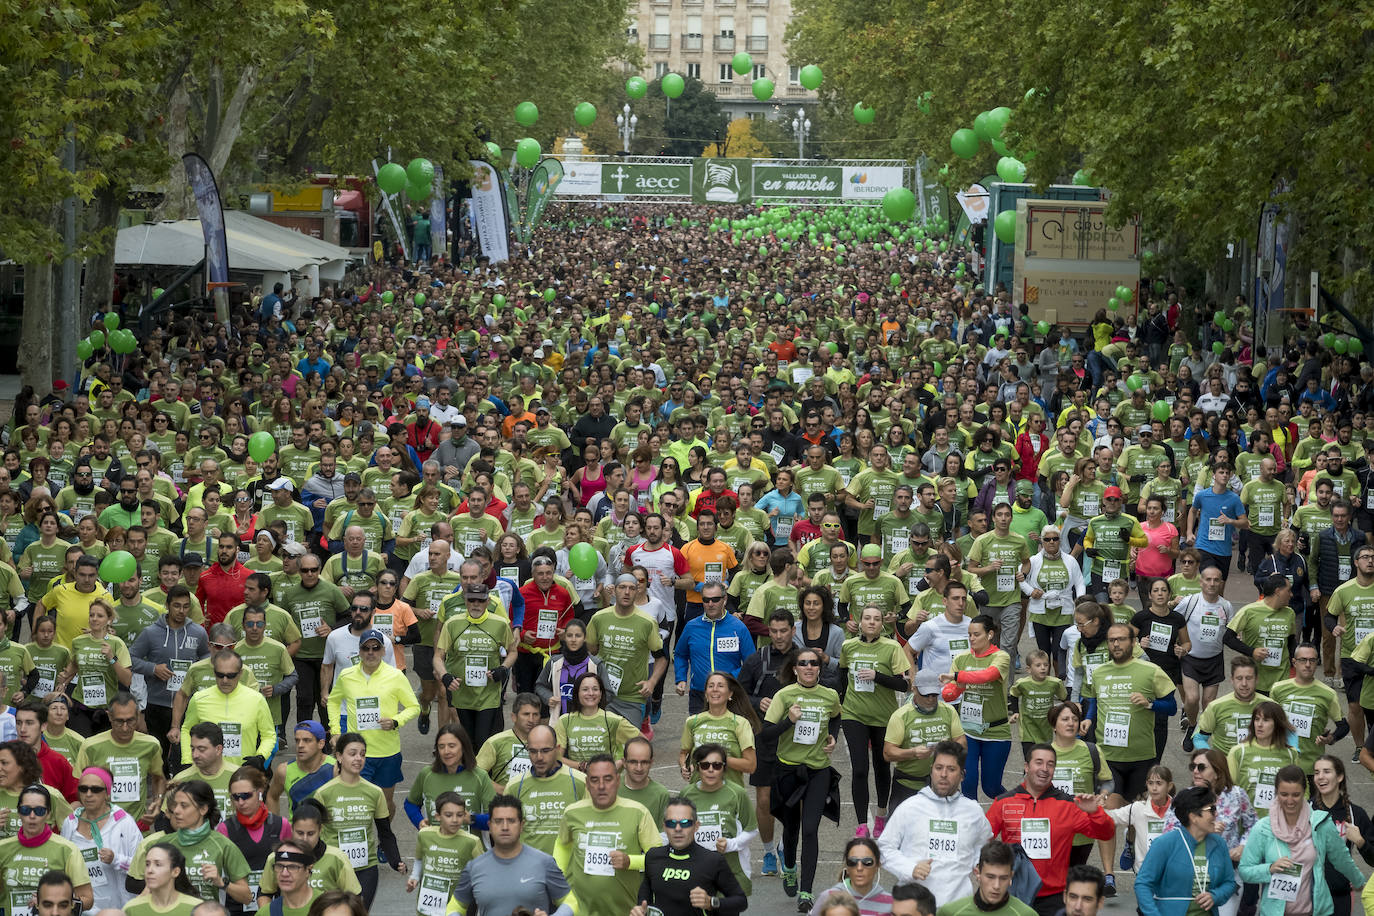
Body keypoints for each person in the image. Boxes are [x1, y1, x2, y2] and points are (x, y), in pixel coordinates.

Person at [984, 745, 1115, 916]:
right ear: (1026, 766)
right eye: (1039, 762)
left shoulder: (1068, 805)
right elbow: (982, 841)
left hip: (1055, 898)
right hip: (1013, 894)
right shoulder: (1003, 802)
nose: (1044, 769)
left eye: (1050, 764)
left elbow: (1106, 833)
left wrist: (1095, 812)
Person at [761, 646, 842, 908]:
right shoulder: (784, 696)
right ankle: (789, 865)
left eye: (814, 663)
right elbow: (765, 736)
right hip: (788, 770)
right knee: (792, 828)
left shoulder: (829, 695)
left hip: (818, 770)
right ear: (795, 668)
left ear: (820, 668)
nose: (809, 667)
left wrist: (833, 737)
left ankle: (806, 892)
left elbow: (837, 716)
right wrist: (789, 721)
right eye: (803, 663)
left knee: (810, 830)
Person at [1237, 765, 1367, 916]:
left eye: (1296, 795)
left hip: (1315, 911)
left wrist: (1359, 882)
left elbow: (1342, 858)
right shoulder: (1262, 828)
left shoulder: (1320, 824)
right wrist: (1269, 868)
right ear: (1276, 793)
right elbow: (1245, 870)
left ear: (1305, 792)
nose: (1290, 801)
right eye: (1284, 794)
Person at [877, 740, 991, 906]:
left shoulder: (973, 811)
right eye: (939, 768)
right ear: (931, 771)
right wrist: (910, 868)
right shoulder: (910, 807)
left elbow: (983, 847)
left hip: (957, 907)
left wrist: (979, 865)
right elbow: (883, 848)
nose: (943, 774)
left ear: (962, 775)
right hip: (915, 905)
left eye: (951, 769)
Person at [326, 627, 419, 815]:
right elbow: (333, 702)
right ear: (359, 651)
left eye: (375, 648)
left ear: (383, 651)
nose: (370, 653)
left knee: (385, 805)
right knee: (359, 805)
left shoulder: (395, 676)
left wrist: (395, 721)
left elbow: (414, 707)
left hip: (387, 751)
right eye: (366, 648)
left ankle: (384, 840)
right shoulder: (347, 675)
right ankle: (365, 841)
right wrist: (336, 731)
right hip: (357, 753)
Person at [553, 754, 659, 916]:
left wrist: (630, 861)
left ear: (617, 780)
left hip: (626, 910)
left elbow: (659, 859)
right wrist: (561, 885)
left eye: (608, 779)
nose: (601, 786)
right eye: (595, 780)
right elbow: (562, 845)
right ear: (587, 784)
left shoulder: (637, 812)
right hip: (581, 911)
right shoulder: (572, 812)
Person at [838, 603, 911, 838]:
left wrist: (877, 676)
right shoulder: (848, 646)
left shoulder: (891, 647)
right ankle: (861, 824)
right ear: (859, 622)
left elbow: (904, 684)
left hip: (883, 717)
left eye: (876, 619)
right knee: (860, 768)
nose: (871, 622)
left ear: (882, 623)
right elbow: (841, 678)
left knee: (882, 767)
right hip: (853, 714)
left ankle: (881, 815)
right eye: (867, 618)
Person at [310, 733, 404, 905]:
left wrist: (396, 860)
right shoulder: (323, 793)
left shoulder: (375, 792)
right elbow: (312, 835)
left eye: (362, 754)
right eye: (352, 753)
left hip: (365, 868)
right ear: (339, 756)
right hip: (333, 868)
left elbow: (385, 832)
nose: (358, 758)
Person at [446, 794, 574, 916]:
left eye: (511, 821)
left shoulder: (544, 862)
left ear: (521, 825)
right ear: (489, 826)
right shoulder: (474, 867)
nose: (505, 827)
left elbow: (570, 900)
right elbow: (455, 906)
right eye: (498, 821)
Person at [127, 780, 252, 904]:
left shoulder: (223, 845)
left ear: (203, 809)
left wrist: (221, 882)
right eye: (175, 805)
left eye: (184, 805)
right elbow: (147, 891)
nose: (176, 811)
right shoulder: (163, 844)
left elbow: (247, 897)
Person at [631, 796, 748, 916]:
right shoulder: (653, 857)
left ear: (696, 826)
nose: (678, 829)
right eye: (671, 823)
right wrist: (640, 911)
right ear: (664, 827)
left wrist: (711, 902)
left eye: (685, 823)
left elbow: (741, 901)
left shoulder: (713, 860)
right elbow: (644, 901)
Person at [939, 614, 1012, 801]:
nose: (971, 639)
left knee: (991, 787)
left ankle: (1017, 810)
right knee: (968, 784)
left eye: (976, 634)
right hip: (968, 732)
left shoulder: (1001, 657)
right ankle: (973, 827)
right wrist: (946, 691)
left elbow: (987, 676)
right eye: (969, 635)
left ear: (990, 635)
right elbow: (951, 693)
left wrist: (957, 677)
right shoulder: (962, 659)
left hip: (996, 732)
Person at [1134, 785, 1237, 916]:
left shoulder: (1219, 844)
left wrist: (1215, 896)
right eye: (1212, 809)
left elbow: (1229, 882)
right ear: (1193, 816)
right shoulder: (1164, 844)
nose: (1216, 814)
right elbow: (1143, 884)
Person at [76, 690, 165, 824]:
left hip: (137, 826)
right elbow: (76, 786)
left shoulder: (151, 745)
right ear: (109, 716)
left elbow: (158, 778)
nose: (125, 728)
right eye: (119, 721)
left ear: (138, 716)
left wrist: (157, 802)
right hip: (100, 826)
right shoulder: (90, 746)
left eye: (130, 721)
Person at [60, 765, 143, 910]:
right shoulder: (70, 822)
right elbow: (61, 866)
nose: (89, 794)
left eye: (96, 789)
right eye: (83, 789)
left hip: (117, 908)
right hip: (82, 908)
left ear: (107, 793)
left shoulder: (123, 822)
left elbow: (142, 867)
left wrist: (116, 860)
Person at [882, 670, 966, 810]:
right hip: (908, 785)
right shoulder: (901, 716)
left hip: (941, 785)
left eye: (934, 694)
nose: (931, 699)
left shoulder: (948, 711)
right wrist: (913, 752)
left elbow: (962, 742)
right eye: (926, 695)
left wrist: (947, 747)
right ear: (914, 690)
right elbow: (888, 753)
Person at [0, 785, 92, 908]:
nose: (32, 816)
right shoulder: (3, 848)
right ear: (18, 813)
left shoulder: (67, 849)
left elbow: (88, 899)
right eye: (26, 810)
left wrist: (53, 901)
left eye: (39, 811)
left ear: (48, 814)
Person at [180, 650, 275, 769]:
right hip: (206, 772)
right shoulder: (199, 699)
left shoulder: (257, 699)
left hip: (242, 773)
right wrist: (187, 761)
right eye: (220, 675)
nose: (225, 680)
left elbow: (269, 735)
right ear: (214, 673)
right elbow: (186, 730)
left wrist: (260, 757)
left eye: (230, 676)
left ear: (240, 673)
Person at [216, 765, 289, 916]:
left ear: (260, 792)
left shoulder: (281, 825)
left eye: (246, 795)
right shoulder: (225, 829)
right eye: (235, 797)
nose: (241, 802)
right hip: (237, 906)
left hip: (274, 905)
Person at [1175, 565, 1234, 751]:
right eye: (1208, 579)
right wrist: (1176, 646)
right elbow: (1173, 621)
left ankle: (1200, 731)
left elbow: (1232, 631)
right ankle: (1192, 724)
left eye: (1216, 580)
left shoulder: (1226, 606)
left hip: (1214, 660)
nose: (1212, 583)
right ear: (1201, 582)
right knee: (1192, 699)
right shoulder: (1190, 602)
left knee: (1208, 704)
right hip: (1191, 658)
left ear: (1221, 583)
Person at [256, 800, 362, 902]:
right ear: (292, 829)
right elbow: (264, 894)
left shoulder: (337, 857)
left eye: (311, 833)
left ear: (320, 830)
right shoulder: (276, 858)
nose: (305, 839)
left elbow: (355, 897)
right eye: (300, 833)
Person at [673, 581, 753, 712]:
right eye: (706, 600)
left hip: (730, 695)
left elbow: (750, 663)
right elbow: (680, 654)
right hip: (699, 694)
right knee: (698, 732)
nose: (710, 604)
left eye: (715, 599)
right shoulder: (692, 626)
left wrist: (729, 680)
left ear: (725, 599)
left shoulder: (739, 627)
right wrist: (681, 678)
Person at [1311, 754, 1374, 916]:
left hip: (1340, 895)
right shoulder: (1306, 809)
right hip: (1308, 893)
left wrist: (1360, 842)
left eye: (1326, 771)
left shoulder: (1355, 814)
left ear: (1339, 777)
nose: (1320, 777)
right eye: (1317, 772)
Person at [403, 724, 496, 830]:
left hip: (470, 846)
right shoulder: (427, 774)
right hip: (435, 845)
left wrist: (471, 819)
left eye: (452, 746)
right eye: (441, 746)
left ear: (463, 747)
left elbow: (496, 819)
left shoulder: (480, 776)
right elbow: (410, 803)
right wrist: (419, 822)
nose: (446, 751)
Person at [406, 791, 481, 916]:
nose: (455, 820)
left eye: (460, 815)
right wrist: (414, 877)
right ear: (438, 816)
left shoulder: (472, 842)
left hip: (458, 907)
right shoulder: (425, 835)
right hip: (428, 906)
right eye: (448, 815)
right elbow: (419, 858)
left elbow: (484, 870)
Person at [933, 840, 1037, 916]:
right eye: (990, 877)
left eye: (1003, 878)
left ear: (1011, 877)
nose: (996, 886)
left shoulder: (1026, 914)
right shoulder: (950, 912)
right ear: (977, 873)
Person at [267, 721, 335, 819]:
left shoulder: (335, 768)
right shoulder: (284, 771)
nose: (300, 745)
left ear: (321, 744)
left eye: (307, 740)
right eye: (297, 740)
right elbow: (272, 797)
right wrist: (274, 828)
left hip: (328, 833)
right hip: (297, 833)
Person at [808, 837, 891, 916]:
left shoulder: (891, 903)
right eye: (852, 862)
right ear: (846, 867)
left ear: (877, 865)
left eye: (867, 862)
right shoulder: (828, 897)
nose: (859, 868)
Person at [124, 843, 205, 916]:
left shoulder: (197, 908)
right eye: (147, 864)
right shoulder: (131, 908)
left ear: (175, 871)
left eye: (158, 864)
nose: (150, 870)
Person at [260, 840, 320, 916]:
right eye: (279, 866)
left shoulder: (328, 906)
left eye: (293, 867)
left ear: (308, 870)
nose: (284, 873)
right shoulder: (266, 913)